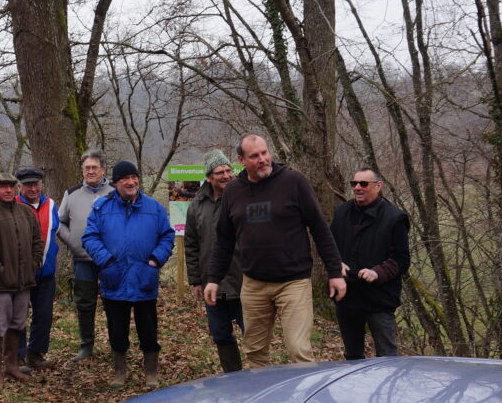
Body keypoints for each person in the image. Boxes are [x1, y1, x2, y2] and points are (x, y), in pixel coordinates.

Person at [204, 134, 346, 367]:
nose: (262, 159)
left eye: (264, 153)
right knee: (254, 351)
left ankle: (305, 401)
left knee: (298, 350)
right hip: (253, 284)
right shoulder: (233, 191)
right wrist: (213, 278)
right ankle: (261, 401)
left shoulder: (293, 182)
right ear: (241, 160)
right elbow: (224, 240)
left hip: (293, 282)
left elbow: (319, 228)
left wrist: (335, 272)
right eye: (254, 156)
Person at [83, 160, 175, 389]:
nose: (131, 182)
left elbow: (167, 236)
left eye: (134, 177)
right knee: (117, 329)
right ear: (116, 183)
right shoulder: (101, 208)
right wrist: (107, 261)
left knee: (148, 329)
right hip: (114, 279)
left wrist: (155, 260)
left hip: (144, 278)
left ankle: (151, 372)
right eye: (125, 179)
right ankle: (119, 370)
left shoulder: (154, 208)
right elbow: (90, 237)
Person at [330, 168, 410, 360]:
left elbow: (402, 259)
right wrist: (335, 264)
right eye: (354, 183)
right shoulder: (341, 212)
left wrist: (377, 272)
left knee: (387, 357)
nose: (357, 187)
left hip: (379, 298)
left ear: (378, 186)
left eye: (363, 184)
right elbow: (328, 247)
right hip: (347, 295)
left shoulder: (395, 218)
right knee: (352, 356)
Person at [0, 172, 44, 385]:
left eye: (10, 186)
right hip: (1, 284)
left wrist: (33, 265)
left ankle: (12, 365)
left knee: (17, 324)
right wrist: (0, 271)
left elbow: (37, 242)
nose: (7, 190)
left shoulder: (26, 212)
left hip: (24, 282)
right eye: (2, 187)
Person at [185, 149, 244, 373]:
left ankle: (259, 378)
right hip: (213, 284)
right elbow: (191, 245)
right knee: (221, 335)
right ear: (209, 177)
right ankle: (233, 377)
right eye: (220, 172)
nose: (227, 175)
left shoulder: (243, 197)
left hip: (243, 279)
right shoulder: (197, 205)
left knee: (253, 334)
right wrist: (196, 281)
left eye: (229, 170)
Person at [56, 149, 114, 361]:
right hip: (82, 260)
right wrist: (71, 241)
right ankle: (86, 345)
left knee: (114, 303)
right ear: (82, 170)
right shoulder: (71, 194)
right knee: (85, 303)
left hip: (110, 260)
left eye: (94, 167)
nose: (90, 171)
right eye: (87, 168)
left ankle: (116, 345)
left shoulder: (115, 192)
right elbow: (59, 221)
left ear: (103, 169)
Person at [15, 166, 60, 370]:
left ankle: (36, 353)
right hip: (21, 273)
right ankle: (18, 356)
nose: (33, 188)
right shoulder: (13, 205)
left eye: (36, 184)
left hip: (46, 271)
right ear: (20, 186)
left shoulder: (50, 205)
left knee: (43, 314)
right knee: (19, 315)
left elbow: (56, 230)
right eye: (28, 185)